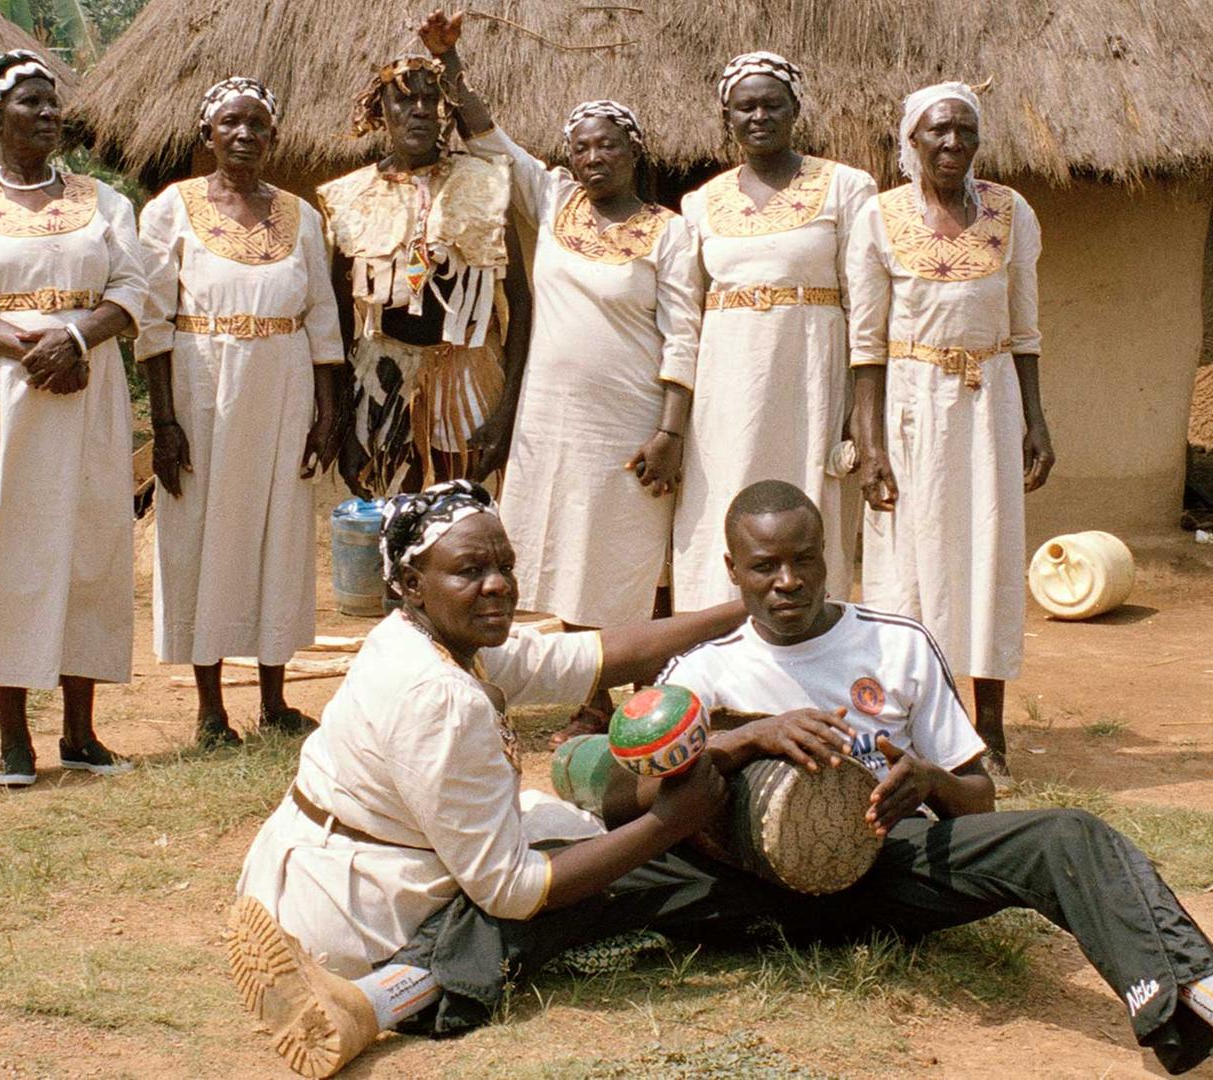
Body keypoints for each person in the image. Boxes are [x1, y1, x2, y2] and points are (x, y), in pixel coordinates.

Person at [657, 481, 1213, 1080]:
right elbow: (630, 797)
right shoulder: (707, 670)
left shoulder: (895, 645)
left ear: (829, 557)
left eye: (806, 560)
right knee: (587, 881)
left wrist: (931, 782)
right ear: (734, 571)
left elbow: (978, 796)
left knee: (1070, 836)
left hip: (887, 873)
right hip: (750, 894)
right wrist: (744, 738)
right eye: (765, 566)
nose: (788, 581)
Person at [227, 480, 753, 1078]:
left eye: (504, 564)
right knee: (587, 887)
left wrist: (745, 608)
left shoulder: (426, 637)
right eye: (470, 570)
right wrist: (666, 825)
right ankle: (374, 998)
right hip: (359, 911)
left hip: (315, 869)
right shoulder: (440, 695)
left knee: (565, 823)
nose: (498, 582)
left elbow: (598, 656)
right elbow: (511, 891)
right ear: (411, 585)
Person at [419, 13, 704, 743]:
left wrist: (670, 429)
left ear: (634, 152)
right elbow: (489, 137)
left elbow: (683, 334)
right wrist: (452, 66)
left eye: (606, 144)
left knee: (624, 558)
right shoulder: (553, 204)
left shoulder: (671, 231)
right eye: (579, 146)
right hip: (553, 417)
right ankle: (589, 694)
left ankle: (627, 695)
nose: (590, 157)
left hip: (630, 418)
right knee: (570, 552)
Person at [0, 50, 146, 787]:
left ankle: (80, 733)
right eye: (31, 103)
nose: (49, 114)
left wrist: (77, 338)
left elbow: (132, 290)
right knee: (1, 546)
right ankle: (13, 738)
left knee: (86, 546)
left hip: (85, 393)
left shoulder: (107, 203)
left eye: (54, 103)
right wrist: (37, 347)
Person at [850, 82, 1056, 792]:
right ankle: (907, 722)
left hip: (989, 403)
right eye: (937, 131)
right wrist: (869, 444)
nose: (952, 143)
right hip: (911, 406)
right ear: (911, 142)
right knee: (908, 565)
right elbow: (866, 345)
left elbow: (1025, 329)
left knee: (989, 557)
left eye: (965, 131)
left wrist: (1036, 418)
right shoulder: (879, 218)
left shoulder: (1010, 211)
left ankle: (988, 730)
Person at [137, 77, 346, 748]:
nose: (245, 135)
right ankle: (210, 710)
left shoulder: (301, 216)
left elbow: (323, 321)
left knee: (279, 533)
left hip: (284, 389)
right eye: (232, 123)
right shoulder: (172, 210)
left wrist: (329, 413)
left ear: (274, 137)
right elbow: (152, 325)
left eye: (258, 124)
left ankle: (276, 701)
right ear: (209, 135)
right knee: (202, 531)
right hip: (203, 389)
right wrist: (163, 424)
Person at [669, 52, 878, 612]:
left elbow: (865, 302)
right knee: (723, 495)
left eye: (771, 104)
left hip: (810, 373)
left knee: (812, 495)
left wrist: (860, 403)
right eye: (745, 107)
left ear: (795, 111)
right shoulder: (700, 203)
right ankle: (717, 641)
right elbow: (685, 314)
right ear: (726, 118)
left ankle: (812, 640)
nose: (758, 116)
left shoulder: (846, 187)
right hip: (725, 381)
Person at [318, 50, 531, 493]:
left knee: (458, 518)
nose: (418, 109)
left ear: (446, 111)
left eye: (430, 98)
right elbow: (338, 317)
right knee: (388, 518)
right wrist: (343, 421)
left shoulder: (486, 185)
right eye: (404, 99)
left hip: (471, 379)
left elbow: (522, 305)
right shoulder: (352, 198)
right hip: (381, 381)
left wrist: (506, 413)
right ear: (380, 111)